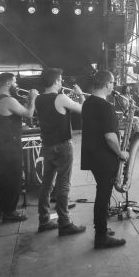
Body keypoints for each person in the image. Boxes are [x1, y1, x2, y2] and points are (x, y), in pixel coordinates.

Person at [35, 68, 86, 235]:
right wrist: (80, 94)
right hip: (62, 146)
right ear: (56, 80)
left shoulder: (38, 99)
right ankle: (64, 223)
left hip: (47, 145)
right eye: (60, 79)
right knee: (64, 183)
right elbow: (83, 109)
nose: (62, 82)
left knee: (46, 184)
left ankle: (44, 221)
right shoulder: (60, 97)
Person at [81, 70, 128, 249]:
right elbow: (109, 137)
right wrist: (121, 153)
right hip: (104, 157)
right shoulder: (105, 106)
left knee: (102, 194)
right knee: (103, 196)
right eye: (113, 82)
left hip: (93, 156)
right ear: (108, 84)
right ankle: (101, 237)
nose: (114, 86)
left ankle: (101, 229)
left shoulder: (88, 103)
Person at [0, 73, 37, 222]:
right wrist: (33, 98)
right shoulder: (8, 100)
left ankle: (2, 209)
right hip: (9, 145)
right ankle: (10, 212)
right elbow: (29, 113)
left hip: (1, 143)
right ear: (7, 83)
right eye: (15, 82)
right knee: (13, 179)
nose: (17, 85)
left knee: (4, 179)